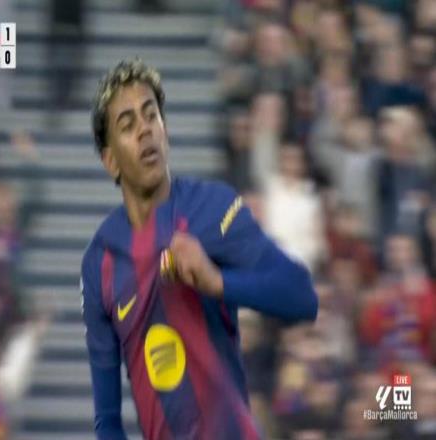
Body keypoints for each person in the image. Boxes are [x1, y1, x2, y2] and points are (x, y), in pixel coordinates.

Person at [82, 59, 318, 440]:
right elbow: (107, 420)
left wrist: (218, 282)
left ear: (166, 131)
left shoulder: (214, 207)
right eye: (127, 125)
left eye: (151, 116)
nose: (145, 129)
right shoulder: (100, 262)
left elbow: (302, 296)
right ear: (111, 162)